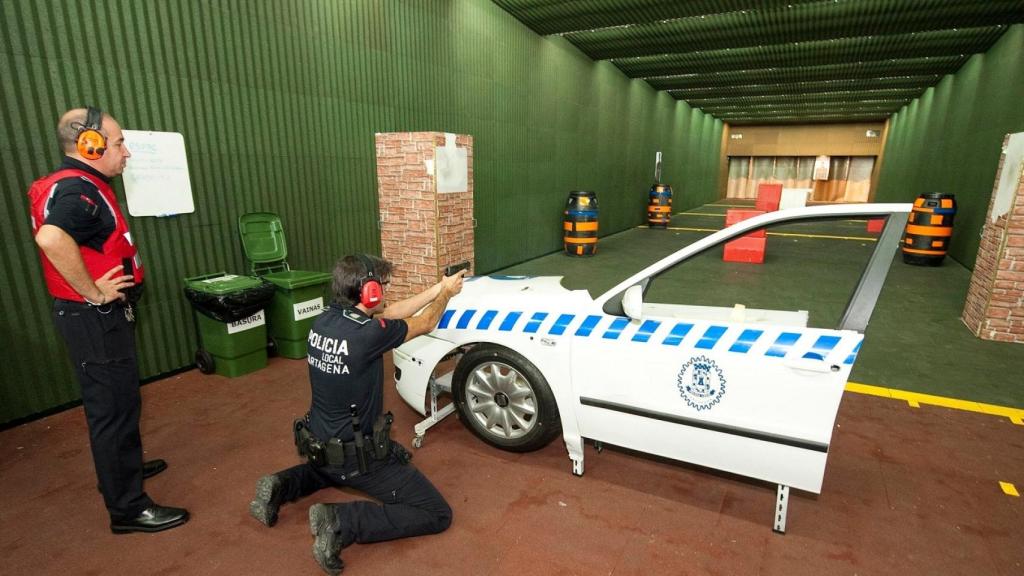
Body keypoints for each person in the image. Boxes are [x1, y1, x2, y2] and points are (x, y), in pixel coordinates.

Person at [249, 254, 465, 575]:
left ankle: (280, 485)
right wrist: (447, 295)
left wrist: (437, 287)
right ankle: (341, 522)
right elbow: (426, 323)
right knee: (436, 513)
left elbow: (390, 314)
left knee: (332, 468)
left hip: (318, 446)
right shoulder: (368, 334)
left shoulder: (323, 321)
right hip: (355, 459)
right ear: (369, 292)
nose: (386, 294)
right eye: (383, 287)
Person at [27, 107, 189, 533]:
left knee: (121, 401)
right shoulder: (78, 191)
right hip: (94, 318)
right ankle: (128, 508)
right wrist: (95, 293)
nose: (126, 152)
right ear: (90, 145)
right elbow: (51, 237)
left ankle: (123, 470)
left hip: (94, 317)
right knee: (112, 410)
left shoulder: (79, 185)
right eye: (118, 143)